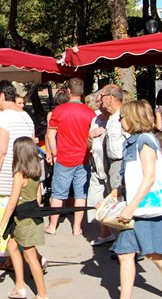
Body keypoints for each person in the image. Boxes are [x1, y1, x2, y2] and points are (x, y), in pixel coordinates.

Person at [105, 100, 162, 299]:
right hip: (135, 206)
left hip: (143, 207)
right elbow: (132, 175)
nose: (120, 121)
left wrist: (131, 208)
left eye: (123, 117)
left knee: (153, 253)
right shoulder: (135, 140)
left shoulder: (144, 141)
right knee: (125, 253)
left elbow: (149, 176)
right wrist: (116, 193)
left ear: (134, 118)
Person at [0, 136, 49, 299]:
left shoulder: (19, 175)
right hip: (31, 214)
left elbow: (12, 202)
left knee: (30, 256)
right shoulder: (36, 171)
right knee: (12, 247)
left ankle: (42, 294)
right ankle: (20, 286)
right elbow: (38, 198)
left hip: (23, 218)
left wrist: (0, 227)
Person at [44, 77, 94, 237]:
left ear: (68, 91)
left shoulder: (59, 111)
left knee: (58, 193)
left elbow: (51, 136)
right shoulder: (89, 112)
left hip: (64, 158)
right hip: (83, 157)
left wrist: (55, 153)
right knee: (81, 194)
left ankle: (52, 226)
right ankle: (77, 228)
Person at [0, 80, 36, 199]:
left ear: (3, 96)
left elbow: (0, 151)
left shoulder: (4, 117)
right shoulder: (26, 116)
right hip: (23, 174)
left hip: (7, 178)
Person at [86, 95, 115, 247]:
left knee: (114, 203)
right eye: (97, 101)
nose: (99, 103)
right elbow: (88, 143)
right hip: (97, 166)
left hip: (112, 169)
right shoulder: (95, 119)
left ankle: (122, 241)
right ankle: (106, 233)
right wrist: (91, 136)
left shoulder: (116, 119)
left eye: (100, 100)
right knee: (95, 200)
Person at [101, 84, 128, 197]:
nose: (100, 99)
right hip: (112, 164)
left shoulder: (124, 115)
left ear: (110, 98)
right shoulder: (112, 116)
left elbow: (130, 139)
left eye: (102, 96)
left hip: (121, 163)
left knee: (118, 199)